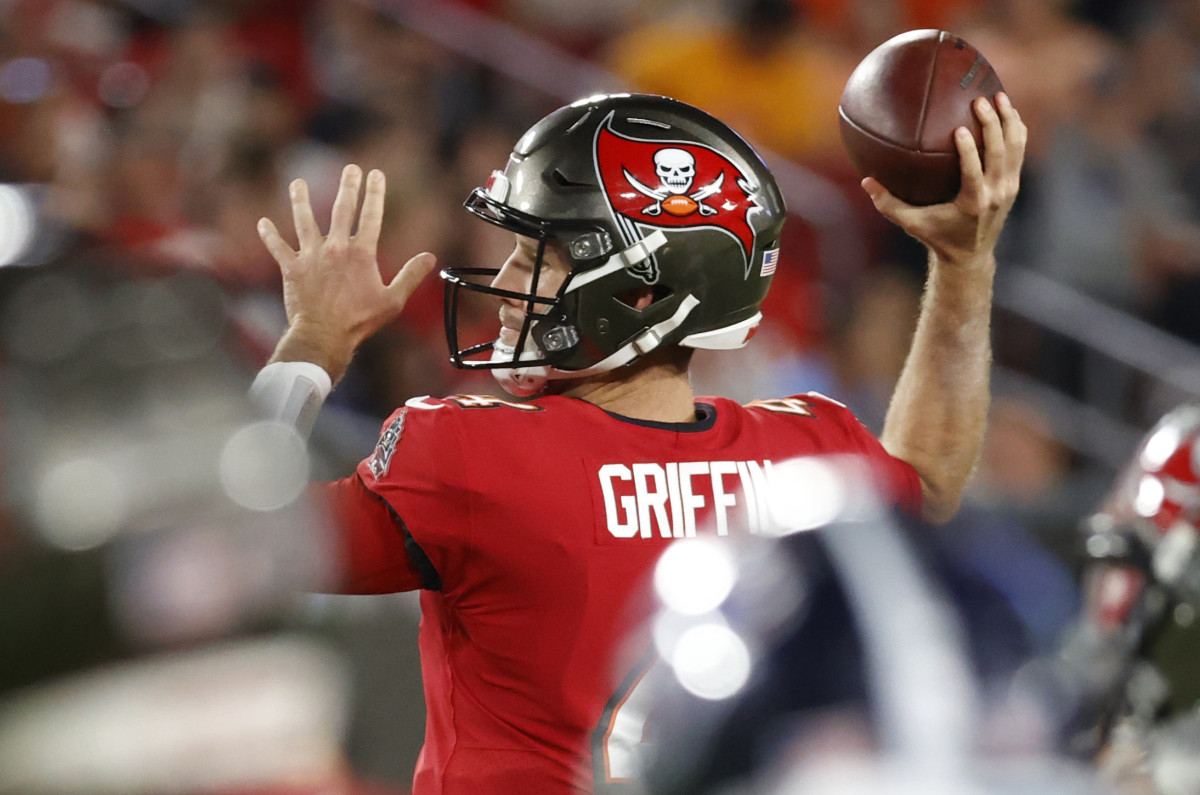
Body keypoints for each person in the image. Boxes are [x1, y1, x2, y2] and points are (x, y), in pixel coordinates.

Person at [250, 92, 1025, 793]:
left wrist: (312, 346)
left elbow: (234, 545)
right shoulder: (807, 456)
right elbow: (926, 479)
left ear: (639, 293)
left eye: (538, 256)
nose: (507, 276)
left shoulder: (468, 455)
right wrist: (964, 265)